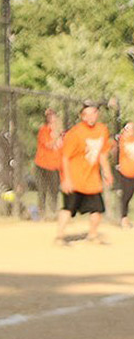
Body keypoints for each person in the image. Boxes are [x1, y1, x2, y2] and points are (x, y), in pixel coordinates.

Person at [54, 102, 113, 246]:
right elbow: (65, 157)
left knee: (97, 210)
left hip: (92, 179)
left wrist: (107, 172)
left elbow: (103, 154)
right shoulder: (75, 133)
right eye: (87, 114)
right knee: (68, 208)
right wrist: (66, 179)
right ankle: (59, 237)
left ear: (97, 114)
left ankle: (92, 235)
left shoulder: (102, 130)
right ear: (82, 116)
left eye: (94, 112)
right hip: (75, 177)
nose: (91, 116)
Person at [33, 108, 64, 219]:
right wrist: (56, 133)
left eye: (53, 116)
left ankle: (53, 212)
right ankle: (42, 213)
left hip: (55, 166)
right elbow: (49, 145)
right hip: (42, 164)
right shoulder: (44, 130)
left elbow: (63, 151)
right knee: (42, 190)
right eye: (49, 117)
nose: (52, 119)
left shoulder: (61, 135)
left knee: (54, 190)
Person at [116, 121, 134, 229]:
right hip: (126, 172)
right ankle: (124, 218)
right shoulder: (123, 139)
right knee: (126, 196)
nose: (130, 130)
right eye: (128, 128)